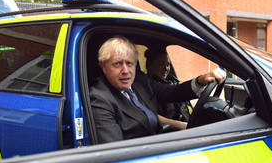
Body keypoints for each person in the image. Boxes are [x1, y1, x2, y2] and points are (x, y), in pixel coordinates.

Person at [89, 36, 226, 144]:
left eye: (130, 63)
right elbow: (116, 153)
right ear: (104, 67)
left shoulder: (139, 81)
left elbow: (172, 92)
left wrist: (200, 80)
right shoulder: (100, 99)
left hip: (161, 141)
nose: (125, 71)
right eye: (117, 64)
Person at [145, 48, 192, 130]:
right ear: (149, 65)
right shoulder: (145, 87)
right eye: (161, 64)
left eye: (168, 64)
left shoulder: (171, 80)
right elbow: (150, 115)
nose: (166, 68)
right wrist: (182, 125)